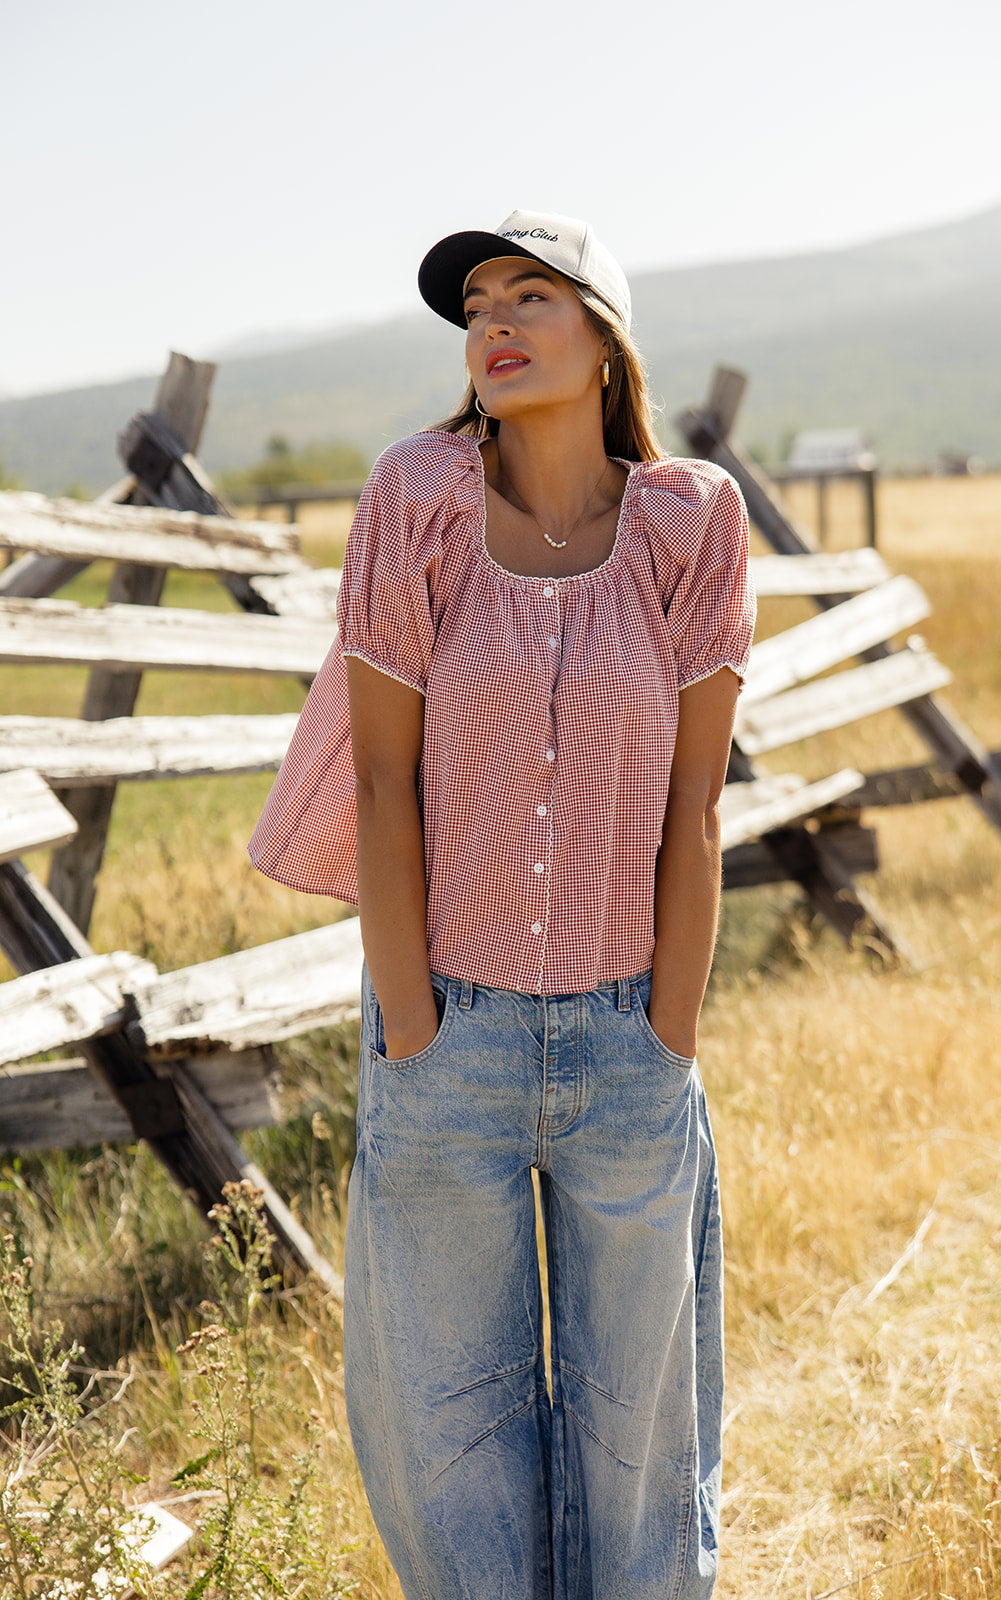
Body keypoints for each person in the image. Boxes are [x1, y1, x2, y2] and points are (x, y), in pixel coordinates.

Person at [249, 208, 756, 1600]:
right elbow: (383, 793)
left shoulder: (689, 521)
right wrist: (414, 1028)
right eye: (477, 304)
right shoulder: (414, 499)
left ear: (607, 340)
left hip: (627, 1046)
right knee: (450, 1438)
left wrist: (667, 1038)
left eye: (535, 295)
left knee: (640, 1440)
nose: (496, 324)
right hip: (447, 1043)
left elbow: (695, 808)